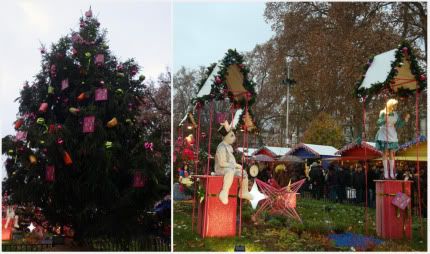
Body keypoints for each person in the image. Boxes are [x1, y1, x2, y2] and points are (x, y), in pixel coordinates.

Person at [215, 121, 253, 205]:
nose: (234, 137)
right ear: (225, 137)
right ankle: (224, 192)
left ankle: (243, 191)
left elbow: (230, 163)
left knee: (243, 173)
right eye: (231, 135)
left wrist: (236, 166)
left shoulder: (229, 147)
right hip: (221, 169)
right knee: (230, 171)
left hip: (229, 168)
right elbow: (222, 163)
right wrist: (234, 165)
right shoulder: (221, 147)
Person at [375, 99, 410, 179]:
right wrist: (384, 119)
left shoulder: (395, 114)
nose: (396, 106)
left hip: (392, 133)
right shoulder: (383, 112)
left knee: (391, 153)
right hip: (384, 133)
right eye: (395, 105)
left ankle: (391, 171)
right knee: (385, 152)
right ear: (391, 105)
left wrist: (405, 119)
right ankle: (386, 171)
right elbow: (378, 122)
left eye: (396, 105)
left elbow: (398, 125)